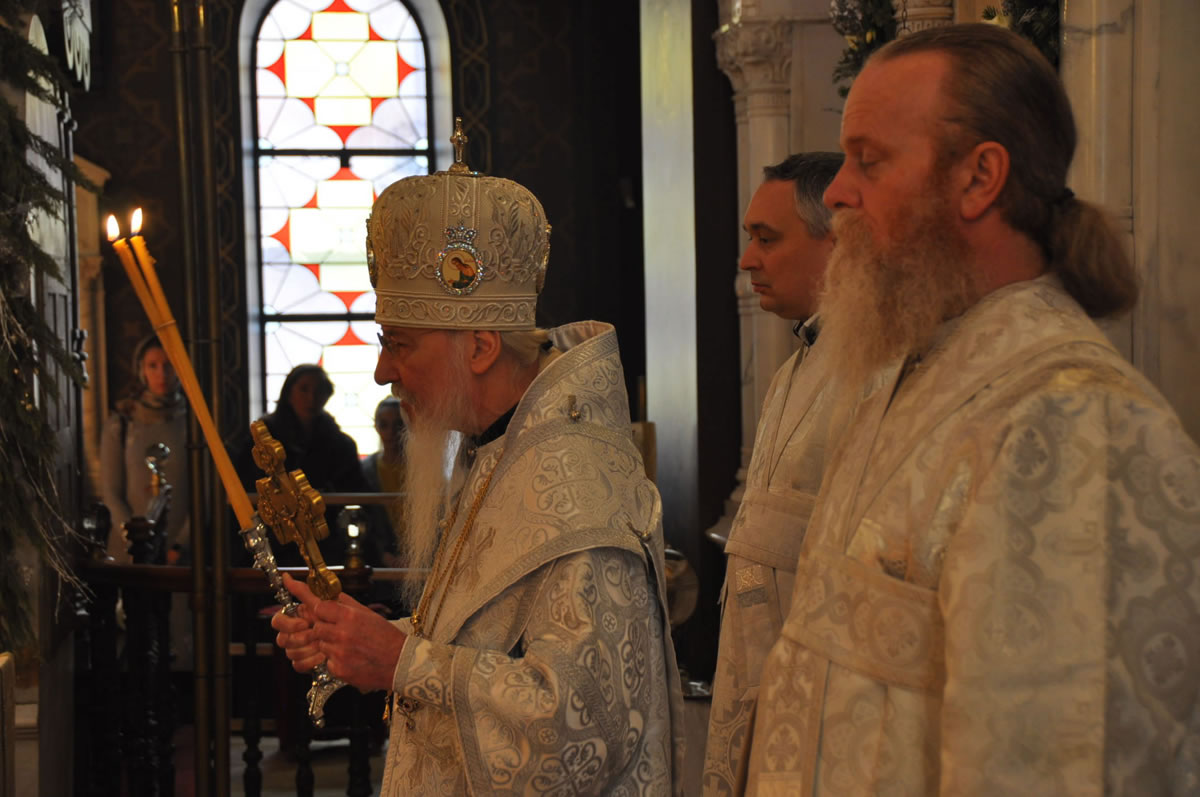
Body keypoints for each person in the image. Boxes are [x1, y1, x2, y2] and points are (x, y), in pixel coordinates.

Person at [741, 24, 1200, 794]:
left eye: (869, 160)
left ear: (980, 177)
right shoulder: (911, 374)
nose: (841, 192)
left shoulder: (1074, 422)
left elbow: (1059, 763)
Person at [271, 144, 686, 794]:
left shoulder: (575, 488)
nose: (382, 372)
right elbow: (490, 644)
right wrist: (364, 640)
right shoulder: (497, 450)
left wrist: (401, 660)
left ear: (482, 347)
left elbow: (583, 730)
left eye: (399, 344)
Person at [701, 153, 845, 795]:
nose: (747, 260)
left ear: (837, 242)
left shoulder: (878, 369)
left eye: (767, 238)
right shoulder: (793, 369)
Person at [236, 364, 370, 566]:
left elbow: (353, 490)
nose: (311, 398)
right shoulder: (263, 439)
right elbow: (249, 485)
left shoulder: (340, 443)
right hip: (274, 538)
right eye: (304, 389)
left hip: (324, 537)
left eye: (319, 390)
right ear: (289, 393)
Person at [99, 334, 191, 564]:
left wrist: (180, 545)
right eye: (153, 366)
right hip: (129, 551)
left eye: (168, 365)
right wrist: (134, 541)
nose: (162, 374)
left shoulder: (194, 424)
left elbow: (205, 496)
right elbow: (111, 492)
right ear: (141, 370)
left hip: (181, 554)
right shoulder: (121, 423)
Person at [361, 396, 406, 567]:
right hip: (378, 560)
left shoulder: (423, 470)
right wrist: (382, 554)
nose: (391, 432)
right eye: (384, 425)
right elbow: (365, 518)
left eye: (398, 424)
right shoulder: (366, 470)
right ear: (376, 427)